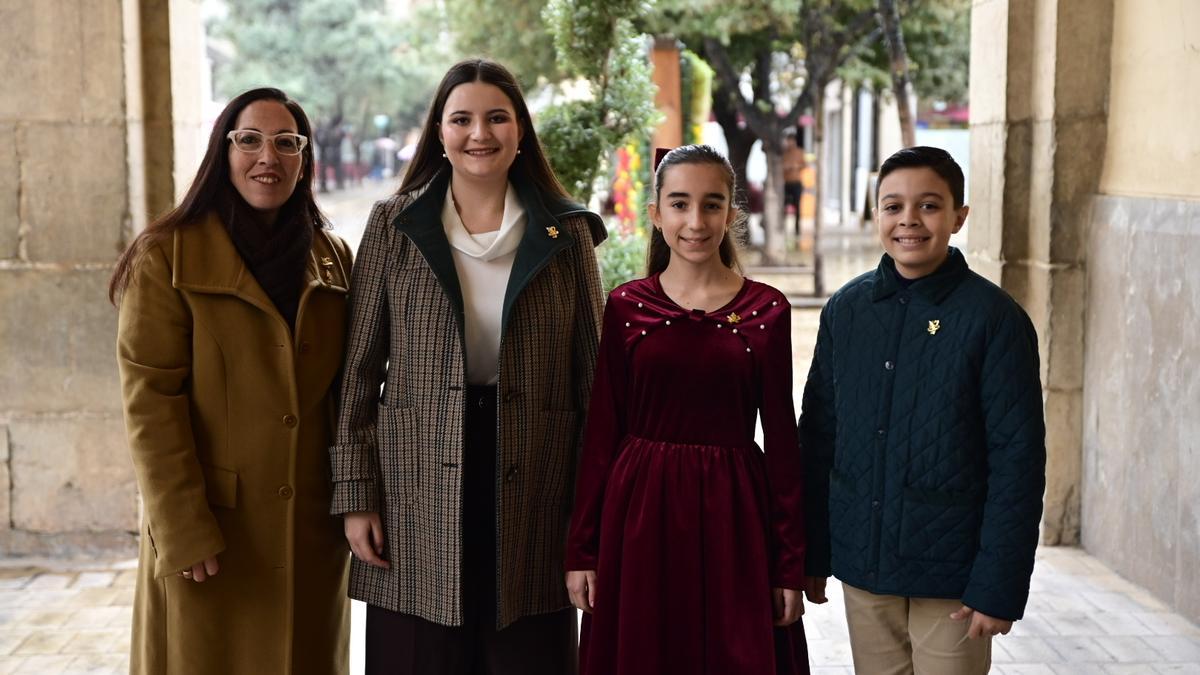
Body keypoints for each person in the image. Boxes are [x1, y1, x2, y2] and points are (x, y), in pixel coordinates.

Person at [329, 58, 606, 675]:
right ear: (440, 133)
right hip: (414, 481)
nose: (479, 133)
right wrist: (356, 496)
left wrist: (591, 517)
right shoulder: (394, 224)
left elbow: (594, 384)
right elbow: (357, 372)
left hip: (536, 473)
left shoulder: (568, 233)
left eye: (496, 118)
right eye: (461, 119)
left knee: (527, 653)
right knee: (420, 655)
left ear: (520, 132)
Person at [111, 87, 352, 674]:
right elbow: (151, 403)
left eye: (286, 142)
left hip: (308, 534)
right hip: (212, 533)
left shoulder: (334, 259)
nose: (266, 156)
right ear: (223, 151)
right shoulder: (167, 256)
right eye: (249, 140)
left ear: (304, 159)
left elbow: (350, 398)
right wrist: (182, 525)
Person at [798, 146, 1046, 674]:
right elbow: (819, 435)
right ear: (877, 214)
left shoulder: (994, 320)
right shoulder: (847, 309)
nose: (909, 220)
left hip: (951, 575)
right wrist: (813, 553)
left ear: (959, 216)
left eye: (929, 206)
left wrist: (997, 584)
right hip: (864, 567)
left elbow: (1017, 460)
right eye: (892, 206)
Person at [566, 144, 810, 675]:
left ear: (731, 214)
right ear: (655, 214)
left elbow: (784, 444)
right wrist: (582, 551)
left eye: (711, 204)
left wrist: (790, 564)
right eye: (679, 204)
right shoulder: (626, 307)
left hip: (735, 518)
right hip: (639, 517)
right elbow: (603, 431)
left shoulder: (767, 310)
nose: (694, 221)